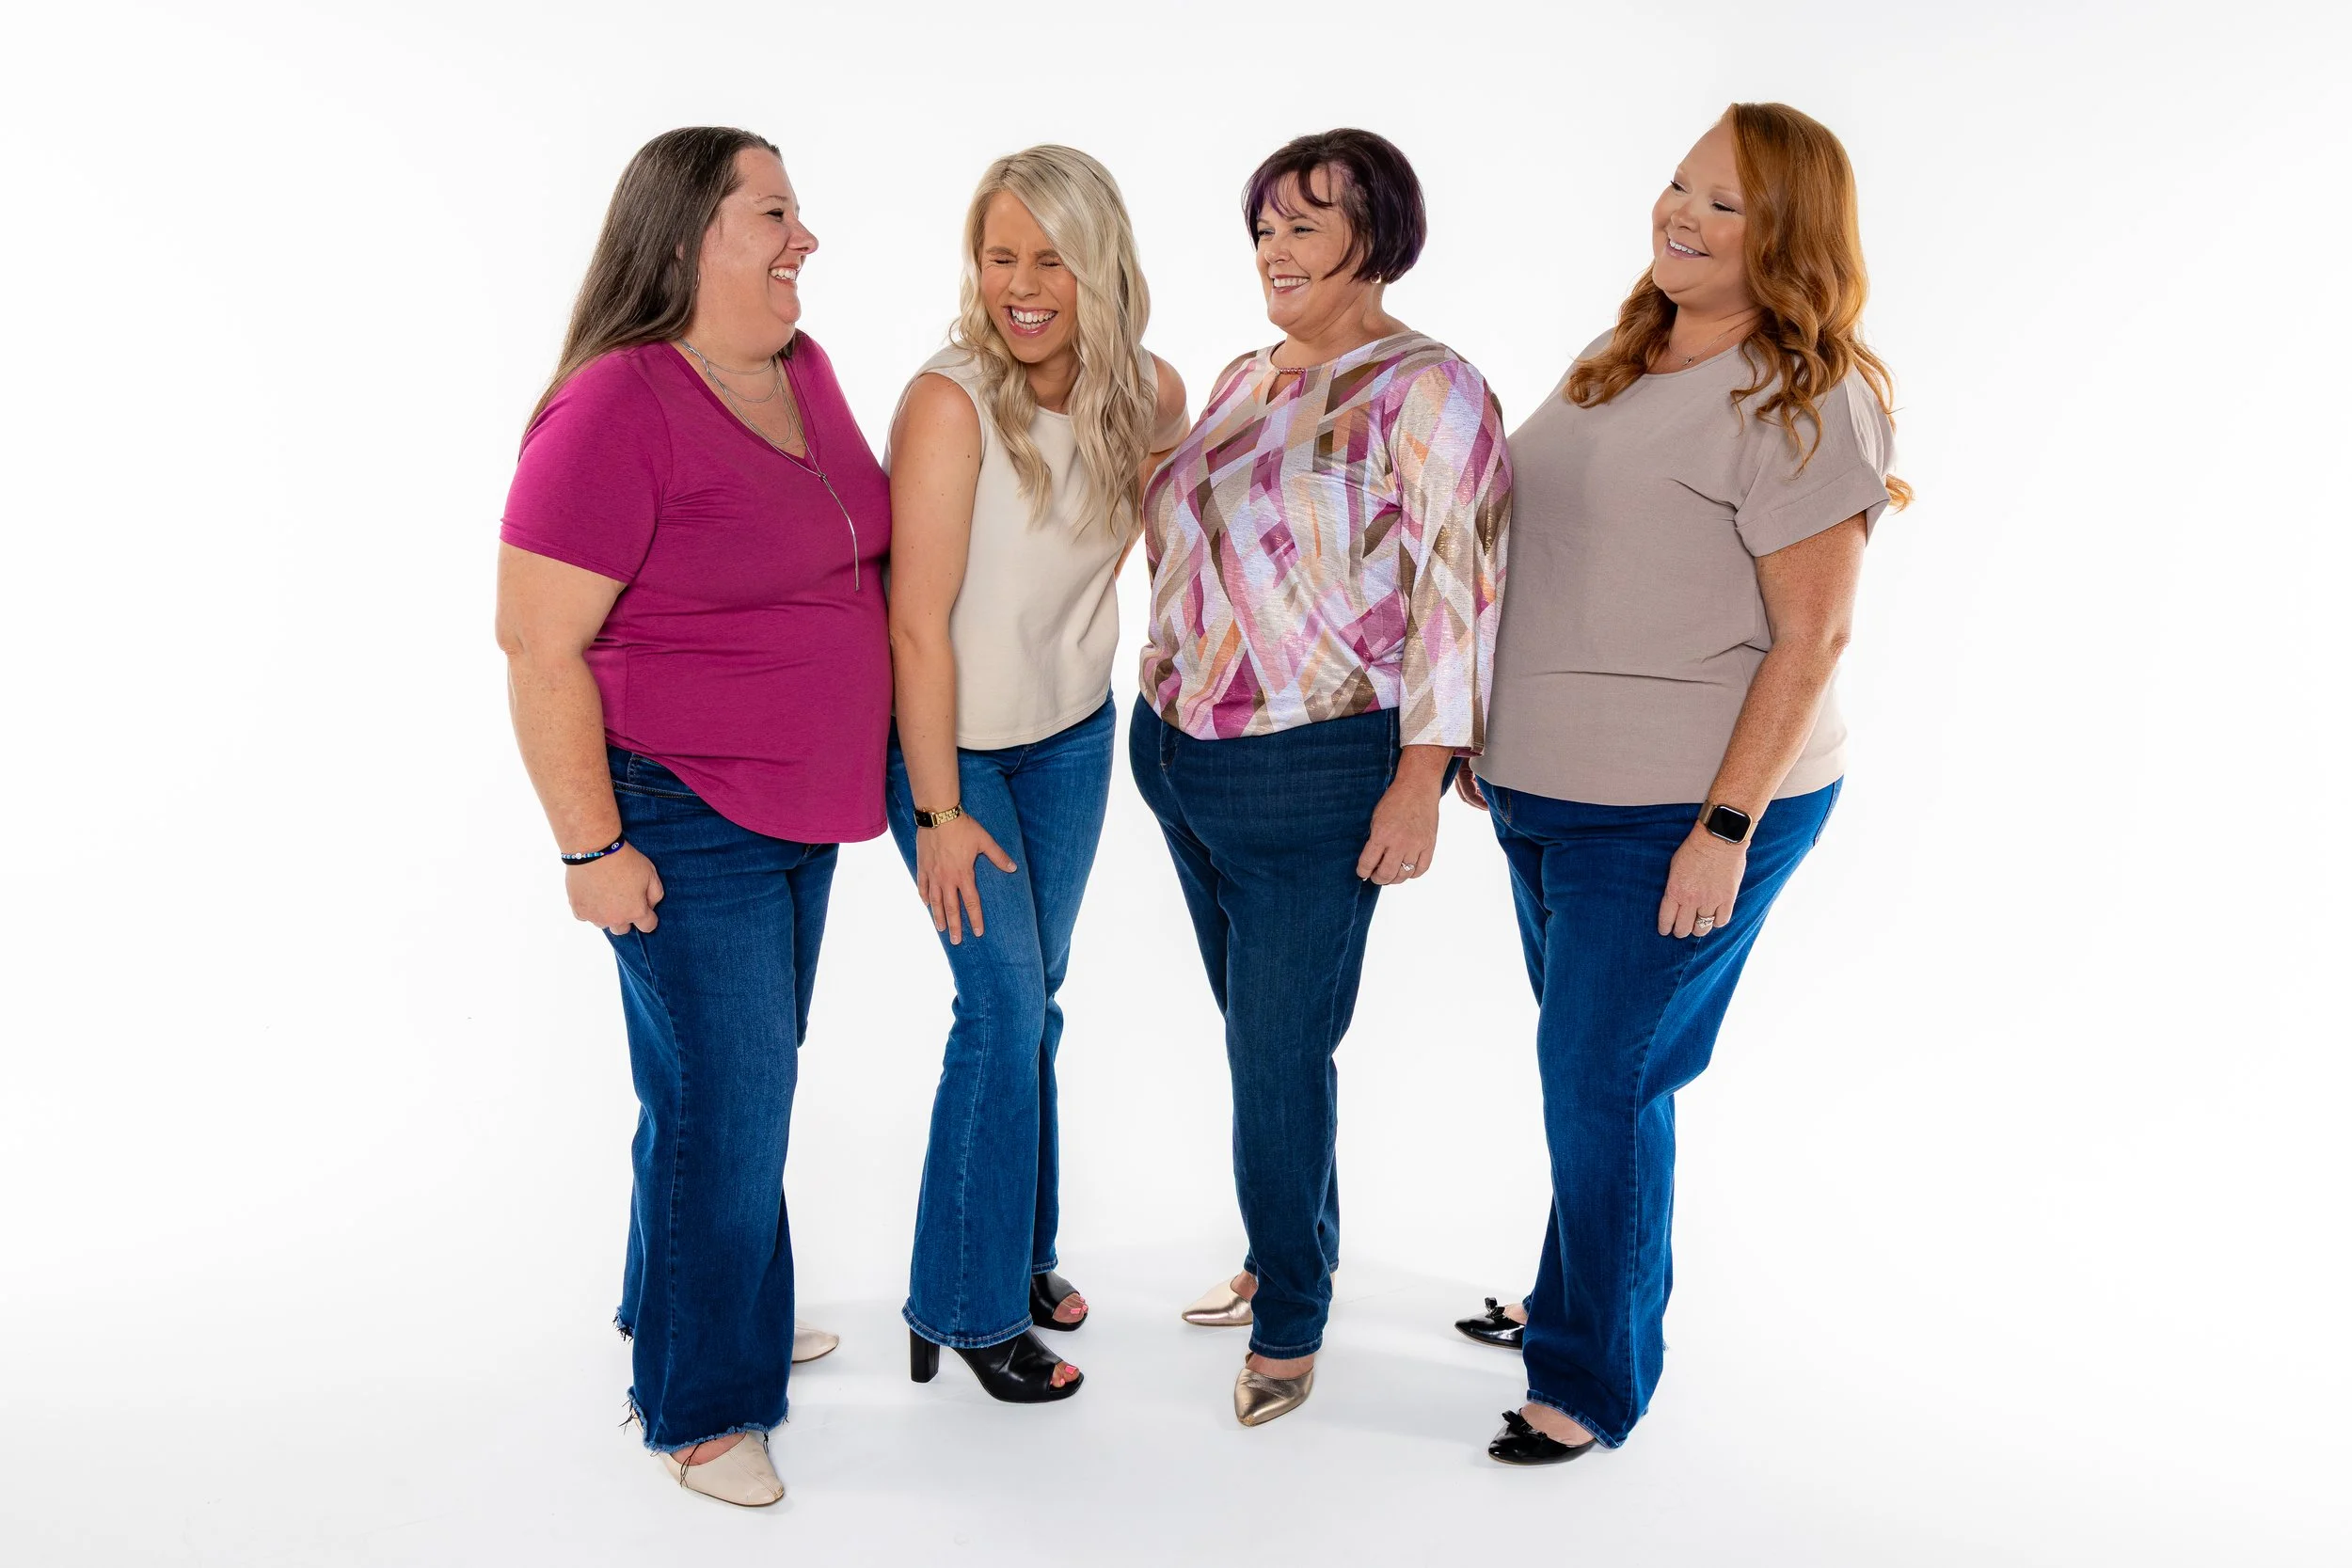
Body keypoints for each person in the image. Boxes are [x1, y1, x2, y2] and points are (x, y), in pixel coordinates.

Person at [1457, 102, 1910, 1465]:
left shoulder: (1807, 394)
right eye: (1677, 184)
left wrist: (1726, 824)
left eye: (1724, 201)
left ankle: (1589, 1372)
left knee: (1604, 1071)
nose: (1682, 213)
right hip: (1547, 793)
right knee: (1589, 1065)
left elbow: (1815, 633)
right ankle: (1574, 1288)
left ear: (1787, 234)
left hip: (1681, 803)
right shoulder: (1623, 358)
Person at [495, 127, 890, 1506]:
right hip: (679, 808)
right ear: (684, 242)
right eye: (775, 214)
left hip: (797, 813)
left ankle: (692, 1307)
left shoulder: (805, 369)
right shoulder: (615, 407)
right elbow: (538, 649)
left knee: (716, 1086)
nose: (806, 239)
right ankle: (704, 1398)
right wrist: (590, 849)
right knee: (735, 1102)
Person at [1133, 129, 1511, 1427]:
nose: (1275, 251)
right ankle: (1291, 1237)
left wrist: (1424, 777)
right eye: (1265, 226)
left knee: (1278, 1057)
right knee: (1262, 1048)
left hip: (1316, 766)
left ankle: (1292, 1312)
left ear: (1380, 236)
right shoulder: (1243, 374)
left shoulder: (1430, 388)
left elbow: (1462, 588)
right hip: (1178, 751)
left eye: (1308, 223)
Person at [886, 146, 1186, 1403]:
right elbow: (916, 622)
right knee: (1001, 1005)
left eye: (1048, 257)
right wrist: (942, 809)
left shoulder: (1152, 395)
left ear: (1098, 263)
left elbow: (1181, 557)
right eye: (998, 254)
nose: (1020, 284)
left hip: (1068, 736)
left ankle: (1019, 1245)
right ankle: (963, 1302)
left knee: (1036, 998)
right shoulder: (950, 403)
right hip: (949, 752)